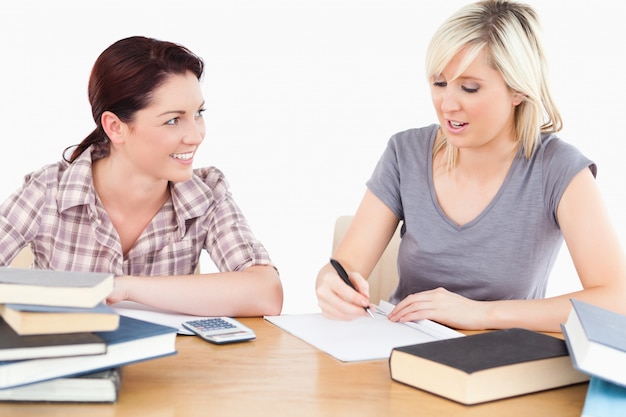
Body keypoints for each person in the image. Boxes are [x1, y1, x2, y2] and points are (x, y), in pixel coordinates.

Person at [316, 0, 626, 332]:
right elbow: (344, 266)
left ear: (517, 89)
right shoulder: (404, 153)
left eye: (470, 87)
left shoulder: (559, 169)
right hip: (398, 350)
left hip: (499, 363)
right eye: (439, 83)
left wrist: (480, 313)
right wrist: (330, 283)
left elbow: (616, 300)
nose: (447, 104)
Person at [0, 36, 283, 317]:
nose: (196, 136)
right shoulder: (49, 190)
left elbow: (265, 292)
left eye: (198, 113)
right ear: (115, 127)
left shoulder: (207, 193)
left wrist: (126, 288)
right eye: (172, 120)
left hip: (168, 360)